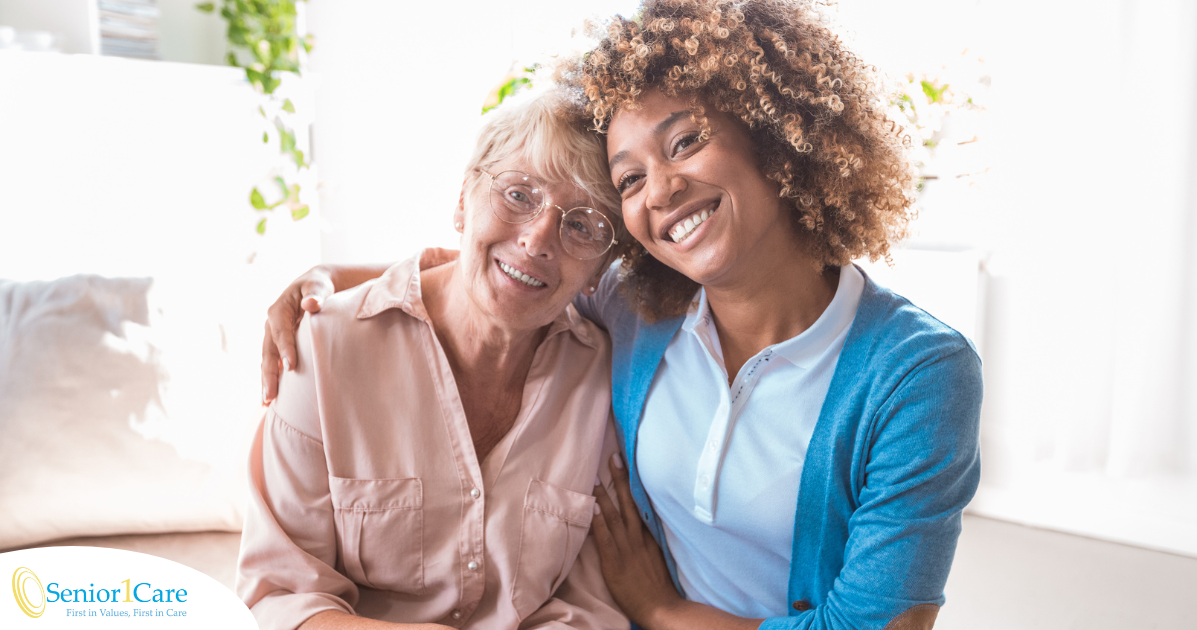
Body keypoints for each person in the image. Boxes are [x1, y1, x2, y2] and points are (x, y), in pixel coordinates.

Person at [261, 1, 983, 629]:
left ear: (775, 134)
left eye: (686, 141)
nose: (661, 190)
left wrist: (662, 611)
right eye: (629, 178)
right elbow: (503, 266)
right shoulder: (641, 310)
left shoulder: (917, 374)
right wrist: (327, 280)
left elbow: (880, 627)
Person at [237, 87, 632, 630]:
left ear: (601, 268)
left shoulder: (603, 378)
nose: (539, 240)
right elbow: (281, 598)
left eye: (582, 225)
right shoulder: (326, 350)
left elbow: (588, 607)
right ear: (464, 198)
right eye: (519, 194)